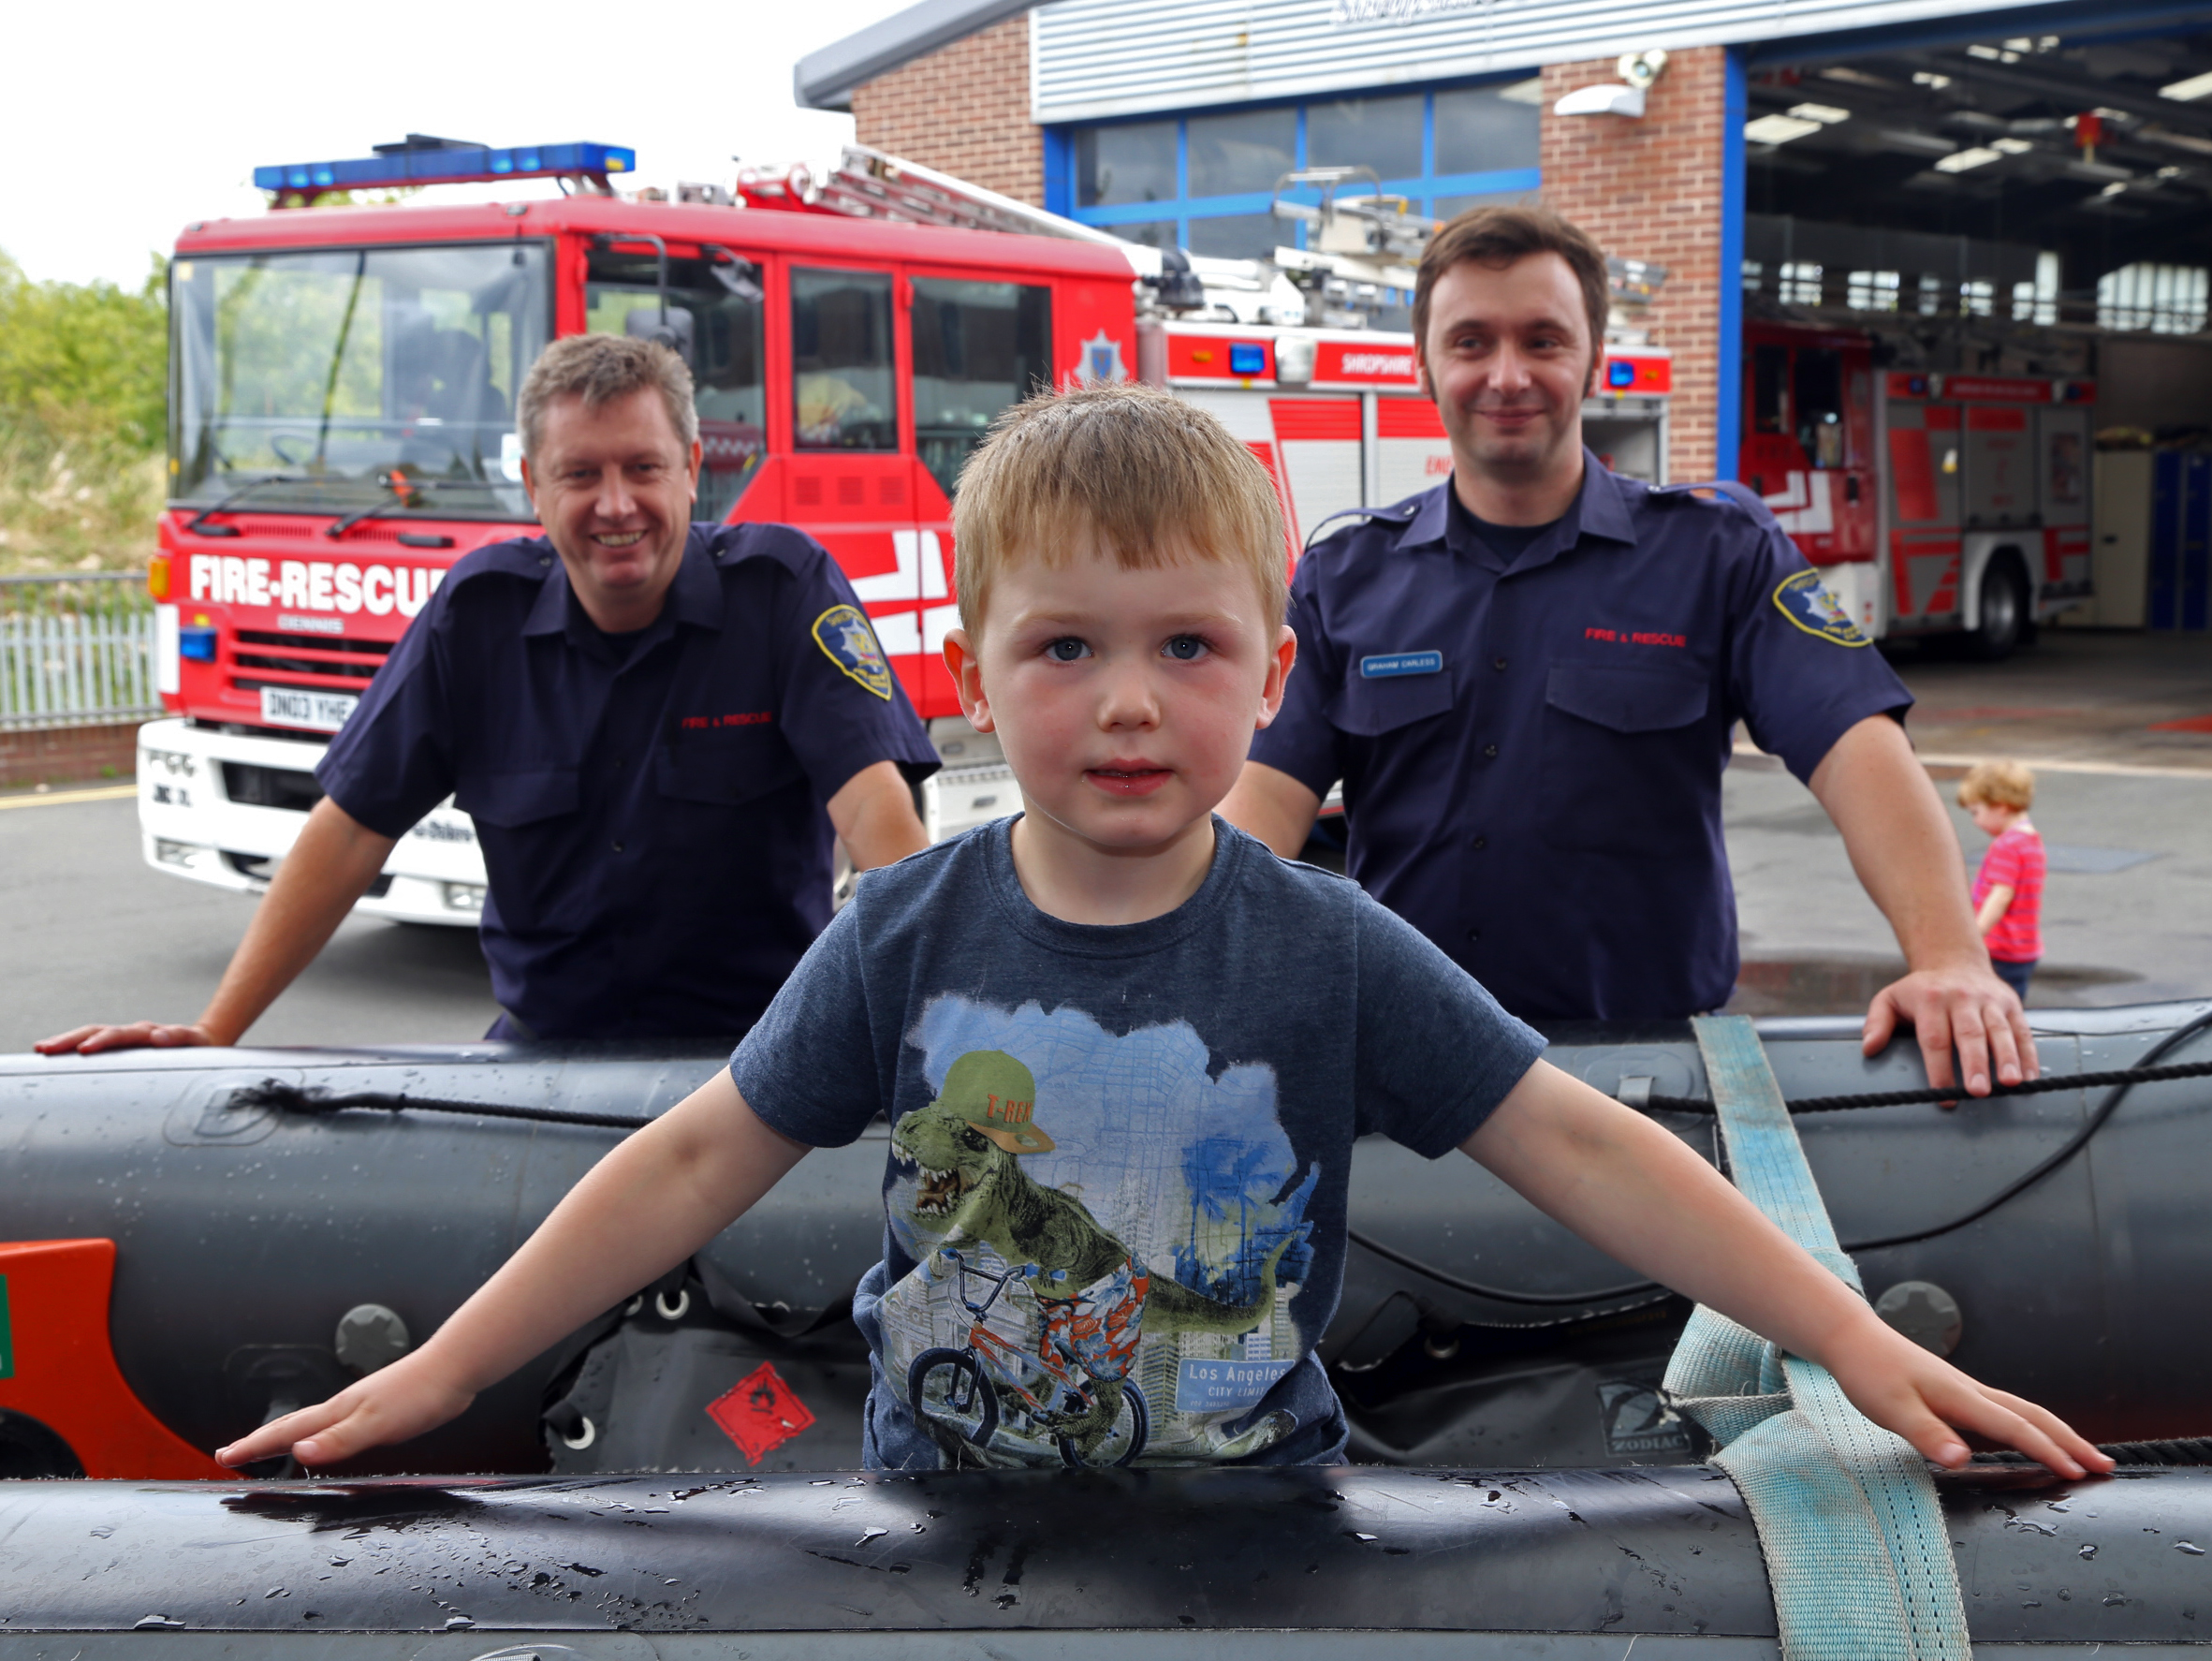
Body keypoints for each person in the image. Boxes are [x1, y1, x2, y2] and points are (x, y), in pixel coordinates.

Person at [214, 384, 2106, 1483]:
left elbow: (1583, 1146)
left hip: (1259, 1514)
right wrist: (447, 1368)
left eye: (1184, 648)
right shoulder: (907, 930)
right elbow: (694, 1154)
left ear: (1273, 678)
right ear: (967, 679)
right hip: (938, 1505)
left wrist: (1843, 1339)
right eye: (1063, 649)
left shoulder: (1322, 942)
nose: (1125, 703)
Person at [1221, 205, 2035, 1100]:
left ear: (1594, 357)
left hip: (1652, 1079)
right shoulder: (1345, 576)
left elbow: (1859, 753)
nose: (1506, 374)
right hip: (1408, 1072)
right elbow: (1253, 814)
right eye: (1469, 342)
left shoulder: (1716, 554)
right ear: (1424, 367)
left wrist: (1952, 958)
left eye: (1542, 339)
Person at [38, 335, 936, 1053]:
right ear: (532, 487)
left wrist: (920, 1035)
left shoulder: (781, 587)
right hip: (542, 1062)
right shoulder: (478, 612)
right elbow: (351, 829)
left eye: (643, 468)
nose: (616, 503)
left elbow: (874, 813)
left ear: (693, 466)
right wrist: (215, 1031)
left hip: (755, 1061)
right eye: (581, 474)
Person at [1959, 760, 2044, 1003]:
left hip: (2001, 950)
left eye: (1976, 812)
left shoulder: (2006, 845)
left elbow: (2001, 895)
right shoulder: (2031, 840)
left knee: (1994, 1010)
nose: (1975, 821)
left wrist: (1973, 937)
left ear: (2001, 806)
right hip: (2023, 949)